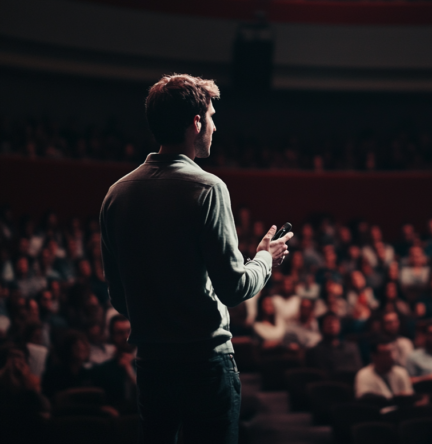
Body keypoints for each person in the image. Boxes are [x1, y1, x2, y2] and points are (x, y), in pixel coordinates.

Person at [99, 74, 292, 444]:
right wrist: (265, 259)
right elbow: (234, 288)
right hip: (205, 363)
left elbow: (120, 300)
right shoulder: (207, 187)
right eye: (212, 116)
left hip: (151, 365)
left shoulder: (116, 194)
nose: (216, 126)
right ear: (196, 122)